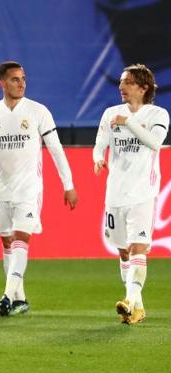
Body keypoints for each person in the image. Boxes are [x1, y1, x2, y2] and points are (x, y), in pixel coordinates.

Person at [0, 61, 79, 317]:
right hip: (1, 190)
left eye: (23, 79)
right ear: (2, 83)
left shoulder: (38, 111)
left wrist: (69, 184)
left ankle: (7, 295)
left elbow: (56, 149)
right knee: (6, 240)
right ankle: (19, 298)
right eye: (15, 79)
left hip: (29, 190)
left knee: (22, 238)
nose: (21, 83)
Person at [93, 63, 169, 325]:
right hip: (115, 193)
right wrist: (97, 158)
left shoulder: (158, 114)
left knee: (138, 248)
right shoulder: (110, 114)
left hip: (142, 193)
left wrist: (129, 122)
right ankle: (136, 307)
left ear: (143, 87)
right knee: (124, 251)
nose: (121, 86)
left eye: (127, 82)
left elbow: (155, 143)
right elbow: (100, 143)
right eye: (121, 82)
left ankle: (129, 300)